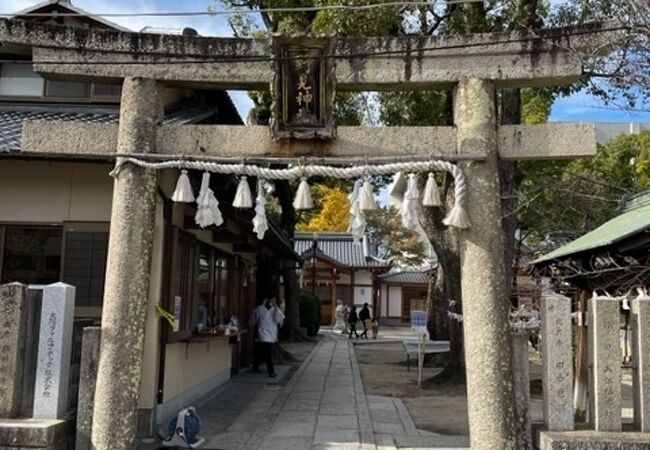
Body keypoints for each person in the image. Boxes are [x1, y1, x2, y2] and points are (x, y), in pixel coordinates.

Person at [249, 296, 285, 377]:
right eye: (272, 300)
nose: (273, 302)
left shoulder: (275, 310)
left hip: (271, 334)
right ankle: (271, 371)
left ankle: (256, 366)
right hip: (263, 333)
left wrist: (276, 308)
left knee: (261, 351)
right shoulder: (260, 309)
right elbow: (253, 320)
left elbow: (278, 320)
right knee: (268, 353)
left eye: (275, 300)